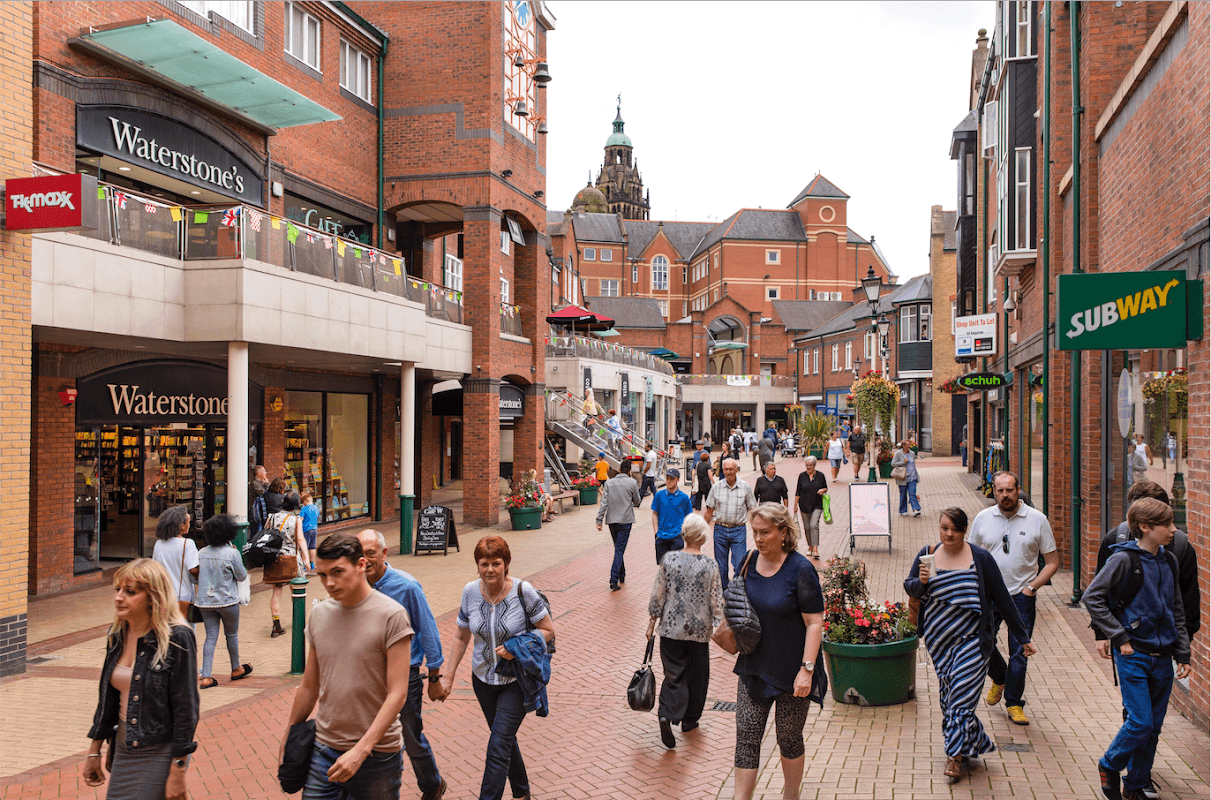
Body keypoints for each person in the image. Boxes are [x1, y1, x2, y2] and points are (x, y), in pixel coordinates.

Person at [905, 507, 1037, 783]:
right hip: (939, 642)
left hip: (974, 642)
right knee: (948, 699)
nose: (949, 534)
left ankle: (954, 757)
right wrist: (922, 581)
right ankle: (972, 742)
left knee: (961, 702)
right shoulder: (928, 554)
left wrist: (1022, 637)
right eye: (944, 528)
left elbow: (1002, 598)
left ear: (965, 530)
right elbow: (911, 588)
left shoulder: (980, 558)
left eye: (954, 529)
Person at [280, 533, 413, 800]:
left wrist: (361, 750)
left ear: (361, 564)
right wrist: (289, 735)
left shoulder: (392, 615)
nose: (330, 582)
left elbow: (397, 693)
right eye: (323, 574)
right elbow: (309, 684)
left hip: (377, 754)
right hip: (324, 747)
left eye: (338, 572)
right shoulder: (319, 614)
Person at [1083, 498, 1192, 800]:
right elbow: (1093, 598)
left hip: (1164, 659)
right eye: (1167, 524)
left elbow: (1177, 609)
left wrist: (1183, 652)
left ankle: (1134, 787)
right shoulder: (1123, 560)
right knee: (1140, 721)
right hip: (1134, 656)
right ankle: (1109, 764)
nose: (1173, 529)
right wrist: (1119, 637)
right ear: (1145, 527)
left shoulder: (1169, 560)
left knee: (1153, 728)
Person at [437, 536, 555, 800]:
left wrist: (516, 647)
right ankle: (522, 793)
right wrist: (449, 675)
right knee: (504, 741)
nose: (490, 569)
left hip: (516, 682)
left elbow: (547, 630)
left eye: (495, 563)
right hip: (482, 681)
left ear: (506, 564)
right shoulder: (469, 592)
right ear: (477, 566)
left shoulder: (524, 591)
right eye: (484, 563)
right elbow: (460, 636)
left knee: (498, 745)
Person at [84, 559, 199, 800]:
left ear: (152, 597)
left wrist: (178, 767)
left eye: (130, 592)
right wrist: (94, 751)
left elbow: (186, 708)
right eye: (117, 590)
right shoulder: (117, 635)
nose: (119, 597)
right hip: (124, 746)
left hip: (160, 748)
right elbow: (107, 700)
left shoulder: (177, 638)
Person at [732, 503, 826, 800]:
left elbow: (814, 623)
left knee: (788, 738)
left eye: (765, 532)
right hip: (753, 667)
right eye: (755, 532)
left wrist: (807, 670)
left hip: (792, 671)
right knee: (746, 737)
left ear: (783, 532)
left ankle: (791, 795)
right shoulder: (748, 561)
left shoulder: (800, 569)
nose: (758, 539)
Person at [356, 530, 448, 800]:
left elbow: (428, 630)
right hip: (370, 675)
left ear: (384, 554)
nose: (365, 560)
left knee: (410, 737)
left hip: (405, 676)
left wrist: (434, 677)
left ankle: (432, 785)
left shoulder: (407, 587)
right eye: (360, 554)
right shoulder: (356, 585)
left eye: (371, 553)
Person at [967, 471, 1059, 726]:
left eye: (1009, 490)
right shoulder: (983, 519)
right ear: (993, 491)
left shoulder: (1037, 520)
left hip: (1021, 595)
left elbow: (1052, 562)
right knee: (981, 642)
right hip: (989, 595)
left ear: (1018, 490)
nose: (1005, 495)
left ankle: (1014, 703)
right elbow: (970, 556)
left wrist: (1032, 587)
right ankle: (1000, 677)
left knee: (1020, 651)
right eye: (1000, 490)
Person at [1094, 480, 1201, 656]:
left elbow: (1187, 598)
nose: (1170, 527)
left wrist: (1183, 645)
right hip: (1127, 642)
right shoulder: (1116, 540)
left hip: (1166, 643)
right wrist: (1102, 633)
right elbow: (1100, 591)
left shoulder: (1180, 546)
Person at [646, 513, 724, 749]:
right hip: (699, 631)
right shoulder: (710, 564)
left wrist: (651, 623)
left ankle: (665, 714)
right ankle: (690, 720)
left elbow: (658, 593)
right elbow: (716, 600)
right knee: (697, 676)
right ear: (702, 538)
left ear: (684, 536)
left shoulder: (669, 560)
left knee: (674, 674)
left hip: (670, 628)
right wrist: (721, 626)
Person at [195, 514, 252, 689]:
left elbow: (197, 577)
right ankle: (236, 668)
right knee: (231, 635)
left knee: (210, 637)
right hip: (228, 601)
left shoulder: (201, 553)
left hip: (205, 602)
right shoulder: (232, 553)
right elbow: (242, 576)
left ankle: (206, 676)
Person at [703, 458, 758, 590]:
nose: (728, 472)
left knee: (740, 562)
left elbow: (752, 509)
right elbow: (709, 510)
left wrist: (757, 530)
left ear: (736, 470)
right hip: (720, 530)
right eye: (726, 469)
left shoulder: (745, 487)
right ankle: (724, 592)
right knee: (721, 566)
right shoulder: (716, 487)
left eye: (731, 469)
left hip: (738, 530)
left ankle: (737, 590)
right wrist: (702, 532)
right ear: (723, 470)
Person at [263, 492, 310, 638]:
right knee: (297, 590)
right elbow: (300, 540)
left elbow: (265, 534)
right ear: (296, 506)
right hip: (292, 560)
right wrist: (307, 558)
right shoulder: (296, 520)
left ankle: (276, 625)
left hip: (275, 559)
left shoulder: (272, 517)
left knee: (276, 593)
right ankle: (298, 619)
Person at [597, 459, 642, 591]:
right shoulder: (632, 482)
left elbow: (603, 503)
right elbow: (637, 501)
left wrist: (599, 520)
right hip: (625, 520)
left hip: (612, 521)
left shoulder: (609, 483)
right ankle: (613, 579)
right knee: (619, 550)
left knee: (618, 548)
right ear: (629, 471)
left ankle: (622, 574)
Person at [151, 504, 199, 621]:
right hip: (182, 595)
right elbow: (193, 569)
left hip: (164, 593)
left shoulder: (159, 543)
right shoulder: (187, 544)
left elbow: (155, 568)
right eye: (188, 522)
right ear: (181, 526)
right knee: (185, 629)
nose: (189, 525)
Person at [651, 468, 694, 564]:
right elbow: (654, 514)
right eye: (667, 478)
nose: (669, 481)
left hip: (677, 536)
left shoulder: (684, 498)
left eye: (672, 478)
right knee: (663, 567)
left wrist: (684, 533)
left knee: (675, 566)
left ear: (677, 479)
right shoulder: (659, 495)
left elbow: (689, 517)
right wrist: (656, 532)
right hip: (661, 536)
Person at [792, 455, 828, 560]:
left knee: (813, 525)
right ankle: (810, 547)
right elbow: (798, 491)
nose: (808, 467)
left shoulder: (820, 476)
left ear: (814, 465)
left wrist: (823, 490)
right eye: (807, 465)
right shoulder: (802, 476)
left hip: (817, 505)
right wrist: (795, 505)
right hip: (804, 505)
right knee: (807, 528)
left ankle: (815, 549)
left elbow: (825, 487)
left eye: (810, 465)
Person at [890, 439, 921, 517]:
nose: (909, 446)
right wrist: (903, 462)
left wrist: (916, 475)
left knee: (912, 493)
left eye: (909, 444)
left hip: (912, 477)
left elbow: (913, 465)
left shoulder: (912, 453)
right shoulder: (898, 453)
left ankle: (916, 509)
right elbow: (893, 464)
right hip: (902, 477)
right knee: (903, 494)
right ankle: (903, 510)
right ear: (903, 446)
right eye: (907, 445)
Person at [300, 491, 320, 572]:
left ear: (305, 501)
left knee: (304, 548)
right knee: (312, 547)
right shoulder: (316, 508)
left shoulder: (304, 509)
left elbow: (300, 520)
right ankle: (312, 564)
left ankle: (304, 564)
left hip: (306, 530)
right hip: (314, 529)